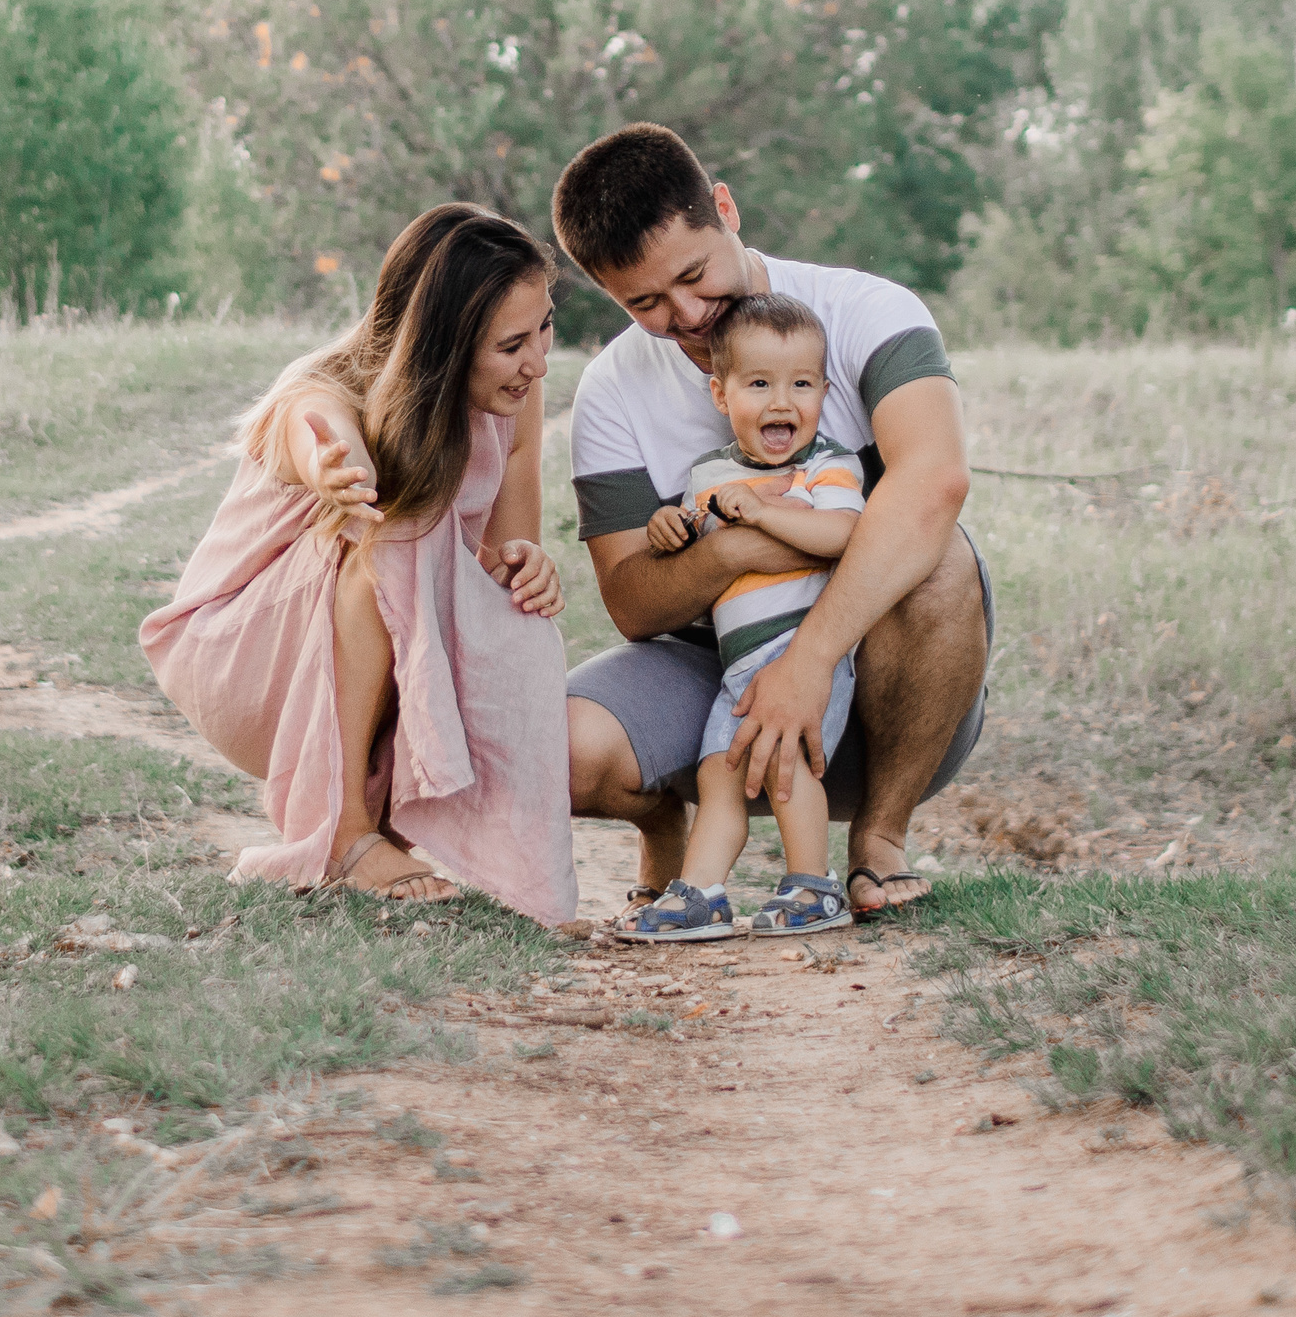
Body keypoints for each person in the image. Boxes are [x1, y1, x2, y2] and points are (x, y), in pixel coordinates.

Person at [552, 122, 992, 924]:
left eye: (693, 274)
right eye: (644, 301)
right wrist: (746, 543)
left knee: (943, 556)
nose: (686, 314)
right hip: (714, 682)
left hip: (887, 694)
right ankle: (666, 828)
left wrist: (810, 660)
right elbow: (634, 602)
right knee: (556, 752)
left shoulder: (868, 310)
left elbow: (935, 481)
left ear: (726, 207)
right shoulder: (611, 391)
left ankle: (879, 841)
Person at [139, 204, 577, 926]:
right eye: (511, 345)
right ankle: (343, 832)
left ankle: (432, 839)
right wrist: (336, 465)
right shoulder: (323, 385)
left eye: (545, 326)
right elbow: (318, 429)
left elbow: (500, 563)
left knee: (502, 612)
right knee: (398, 531)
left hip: (366, 646)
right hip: (244, 660)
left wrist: (531, 566)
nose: (538, 360)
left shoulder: (516, 402)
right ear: (441, 347)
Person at [626, 294, 866, 941]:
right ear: (721, 393)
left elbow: (845, 533)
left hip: (804, 654)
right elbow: (697, 541)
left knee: (788, 768)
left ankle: (813, 884)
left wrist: (760, 511)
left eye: (802, 384)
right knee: (717, 774)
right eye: (759, 383)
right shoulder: (708, 474)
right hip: (738, 667)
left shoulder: (825, 465)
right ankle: (702, 892)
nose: (782, 401)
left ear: (823, 391)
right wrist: (668, 528)